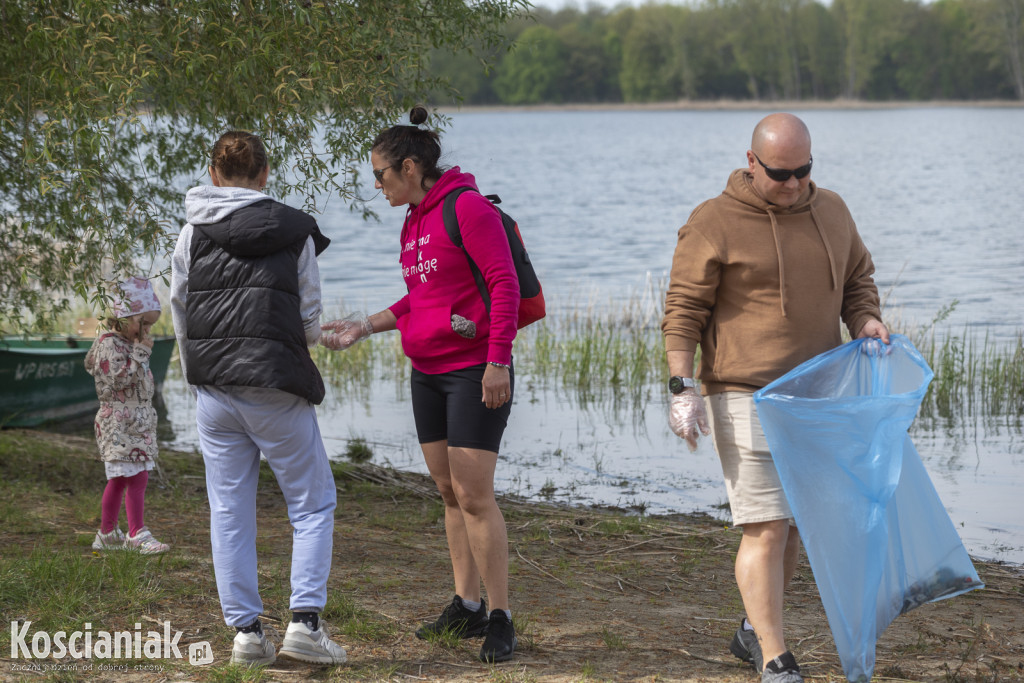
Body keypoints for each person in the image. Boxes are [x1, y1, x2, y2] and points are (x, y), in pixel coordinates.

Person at [660, 113, 890, 683]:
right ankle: (774, 658)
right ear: (751, 161)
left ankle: (751, 628)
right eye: (781, 173)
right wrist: (682, 386)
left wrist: (865, 320)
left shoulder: (831, 209)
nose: (793, 185)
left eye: (804, 171)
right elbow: (683, 310)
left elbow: (858, 278)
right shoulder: (712, 221)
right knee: (764, 525)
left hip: (817, 394)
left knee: (792, 525)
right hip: (744, 393)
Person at [321, 106, 519, 663]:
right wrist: (366, 324)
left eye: (381, 174)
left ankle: (501, 618)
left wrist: (497, 361)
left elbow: (503, 284)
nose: (376, 185)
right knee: (449, 492)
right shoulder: (413, 219)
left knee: (476, 495)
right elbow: (422, 299)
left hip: (474, 369)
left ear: (410, 167)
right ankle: (466, 603)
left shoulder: (467, 208)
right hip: (426, 373)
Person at [170, 131, 346, 668]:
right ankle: (304, 624)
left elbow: (180, 310)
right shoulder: (295, 234)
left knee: (228, 509)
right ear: (266, 175)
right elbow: (309, 319)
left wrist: (196, 370)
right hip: (274, 387)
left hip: (215, 391)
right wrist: (323, 335)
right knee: (312, 503)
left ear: (214, 173)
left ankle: (246, 635)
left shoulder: (190, 234)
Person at [86, 276, 170, 555]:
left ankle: (108, 533)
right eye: (142, 323)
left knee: (122, 478)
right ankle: (137, 534)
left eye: (149, 325)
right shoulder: (110, 345)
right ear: (122, 317)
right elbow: (119, 381)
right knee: (135, 477)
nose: (145, 330)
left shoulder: (127, 345)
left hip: (134, 423)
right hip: (119, 423)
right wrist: (141, 355)